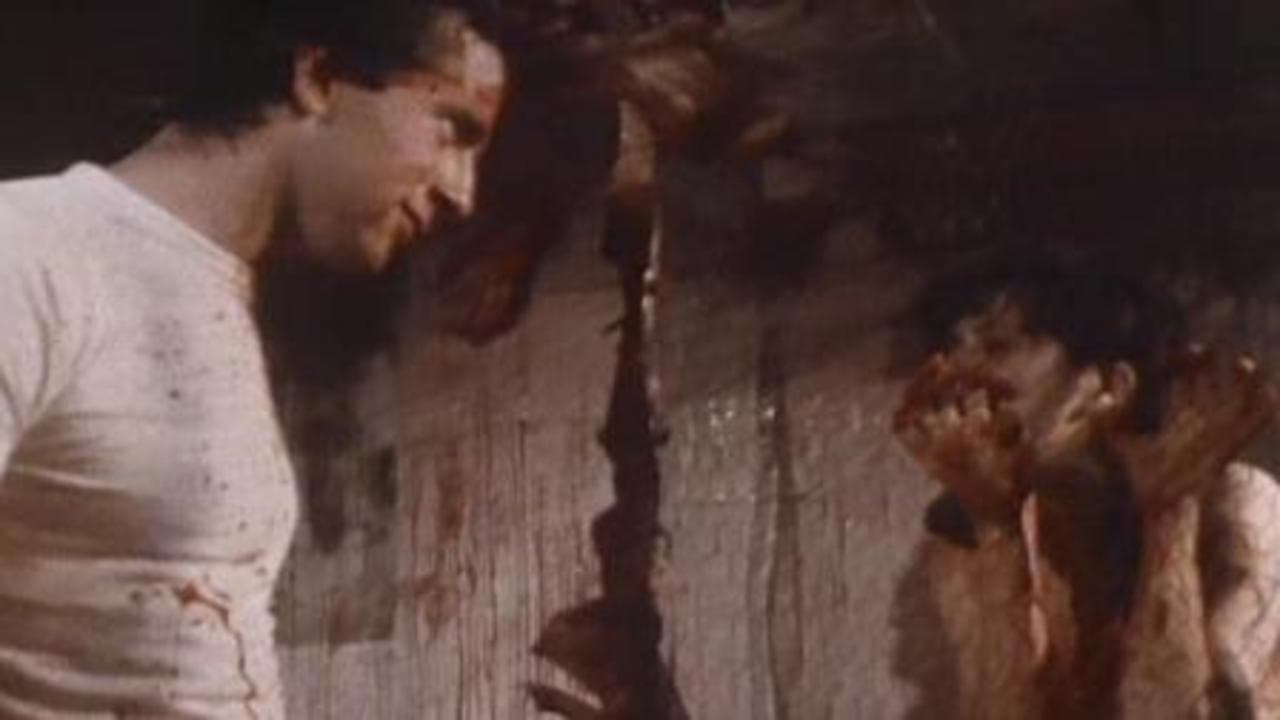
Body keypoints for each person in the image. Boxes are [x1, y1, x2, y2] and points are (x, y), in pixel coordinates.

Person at [0, 1, 505, 716]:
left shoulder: (213, 289)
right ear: (318, 78)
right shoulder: (29, 252)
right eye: (451, 128)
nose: (463, 192)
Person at [893, 258, 1280, 719]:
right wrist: (994, 527)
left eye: (997, 347)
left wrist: (1169, 510)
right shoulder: (980, 522)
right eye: (952, 349)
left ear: (1109, 388)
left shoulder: (1241, 503)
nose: (958, 373)